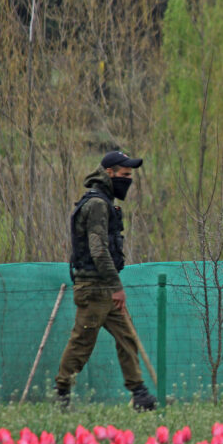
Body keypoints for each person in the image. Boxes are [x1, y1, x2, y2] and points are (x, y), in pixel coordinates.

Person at [55, 150, 157, 411]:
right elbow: (98, 249)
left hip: (104, 288)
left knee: (127, 337)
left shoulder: (103, 201)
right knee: (82, 343)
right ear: (109, 173)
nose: (128, 180)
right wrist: (116, 287)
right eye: (124, 175)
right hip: (94, 288)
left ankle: (140, 395)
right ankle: (62, 394)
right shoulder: (98, 204)